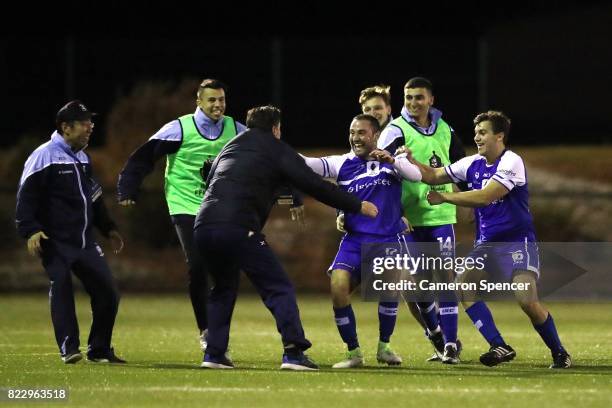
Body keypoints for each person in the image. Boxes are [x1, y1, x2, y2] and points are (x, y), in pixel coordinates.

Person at [194, 105, 378, 370]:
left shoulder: (231, 146)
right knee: (279, 288)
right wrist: (355, 205)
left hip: (204, 225)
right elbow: (313, 184)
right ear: (276, 128)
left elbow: (213, 178)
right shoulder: (275, 147)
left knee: (222, 289)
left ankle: (214, 354)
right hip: (238, 226)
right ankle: (293, 353)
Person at [409, 110, 572, 369]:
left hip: (517, 241)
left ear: (500, 136)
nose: (477, 137)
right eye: (476, 133)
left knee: (526, 299)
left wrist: (445, 197)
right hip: (487, 244)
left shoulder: (512, 161)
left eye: (483, 132)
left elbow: (486, 196)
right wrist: (409, 161)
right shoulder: (471, 163)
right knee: (464, 284)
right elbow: (432, 175)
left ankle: (559, 352)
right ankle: (499, 345)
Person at [117, 79, 247, 351]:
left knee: (226, 271)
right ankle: (206, 329)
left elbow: (266, 155)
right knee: (198, 264)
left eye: (221, 100)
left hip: (218, 208)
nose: (217, 105)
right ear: (198, 102)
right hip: (184, 205)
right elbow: (143, 157)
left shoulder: (236, 129)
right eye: (211, 100)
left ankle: (218, 329)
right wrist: (128, 187)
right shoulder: (179, 128)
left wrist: (288, 192)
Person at [301, 114, 423, 368]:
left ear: (375, 135)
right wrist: (274, 151)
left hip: (388, 238)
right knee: (338, 286)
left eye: (361, 133)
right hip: (355, 240)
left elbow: (416, 176)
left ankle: (384, 347)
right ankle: (353, 352)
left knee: (390, 288)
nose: (356, 138)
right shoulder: (341, 163)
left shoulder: (393, 161)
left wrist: (395, 160)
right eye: (352, 132)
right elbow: (308, 164)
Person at [16, 100, 125, 364]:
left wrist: (108, 227)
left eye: (91, 122)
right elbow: (26, 196)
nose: (91, 127)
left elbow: (94, 197)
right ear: (66, 127)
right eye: (85, 123)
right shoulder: (44, 155)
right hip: (55, 241)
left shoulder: (83, 156)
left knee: (108, 292)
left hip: (84, 242)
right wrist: (30, 230)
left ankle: (99, 349)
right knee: (62, 286)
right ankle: (69, 347)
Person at [377, 77, 466, 363]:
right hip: (408, 220)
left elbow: (461, 169)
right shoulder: (394, 131)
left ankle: (450, 344)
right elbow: (381, 176)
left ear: (431, 100)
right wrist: (395, 212)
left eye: (418, 97)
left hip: (440, 215)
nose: (413, 102)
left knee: (444, 279)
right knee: (418, 287)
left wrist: (474, 201)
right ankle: (436, 335)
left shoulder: (446, 130)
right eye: (408, 97)